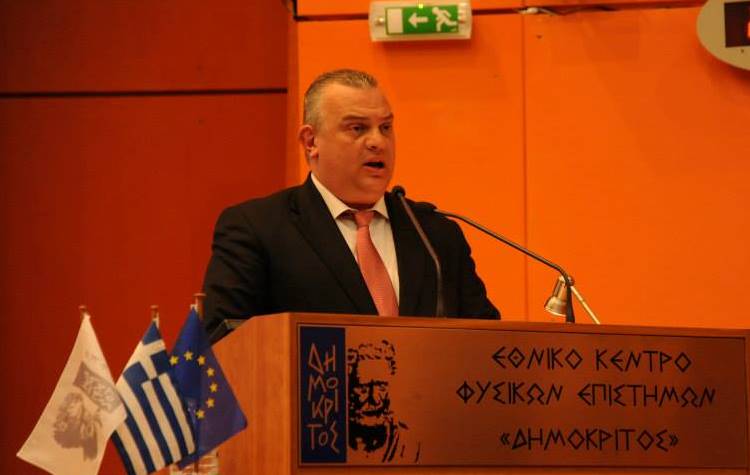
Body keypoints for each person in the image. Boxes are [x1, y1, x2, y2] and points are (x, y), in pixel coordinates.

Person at [202, 69, 499, 341]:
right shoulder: (257, 229)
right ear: (310, 141)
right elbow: (222, 341)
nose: (377, 142)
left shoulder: (434, 235)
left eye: (385, 127)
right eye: (357, 128)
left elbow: (487, 342)